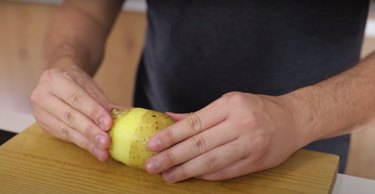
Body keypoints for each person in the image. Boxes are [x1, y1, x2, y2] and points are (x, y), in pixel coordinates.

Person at [31, 0, 372, 183]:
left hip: (301, 155)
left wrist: (297, 117)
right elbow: (86, 8)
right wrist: (65, 61)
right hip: (154, 161)